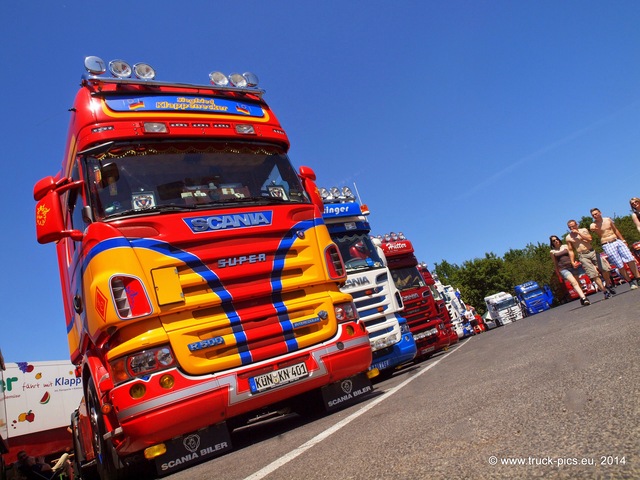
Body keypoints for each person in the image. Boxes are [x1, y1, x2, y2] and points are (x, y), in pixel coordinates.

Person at [565, 219, 616, 300]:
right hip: (582, 255)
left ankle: (607, 284)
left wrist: (579, 233)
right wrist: (572, 261)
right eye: (570, 227)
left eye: (573, 226)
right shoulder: (568, 237)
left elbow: (590, 239)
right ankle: (604, 291)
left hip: (592, 251)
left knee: (605, 268)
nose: (572, 228)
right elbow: (570, 250)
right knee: (593, 274)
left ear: (576, 225)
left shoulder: (583, 230)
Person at [589, 208, 639, 290]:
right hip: (607, 244)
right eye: (593, 215)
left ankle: (638, 278)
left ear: (600, 213)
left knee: (630, 259)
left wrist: (623, 240)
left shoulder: (608, 220)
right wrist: (592, 227)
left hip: (616, 240)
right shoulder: (593, 224)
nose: (595, 215)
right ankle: (630, 282)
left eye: (596, 213)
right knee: (619, 264)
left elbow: (615, 230)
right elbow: (592, 229)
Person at [550, 235, 590, 305]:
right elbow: (555, 262)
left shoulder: (565, 246)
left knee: (578, 282)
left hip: (572, 266)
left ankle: (581, 297)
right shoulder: (552, 252)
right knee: (573, 282)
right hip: (563, 269)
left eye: (557, 239)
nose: (556, 241)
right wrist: (558, 272)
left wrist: (573, 262)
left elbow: (571, 254)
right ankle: (584, 298)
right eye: (553, 240)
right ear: (552, 243)